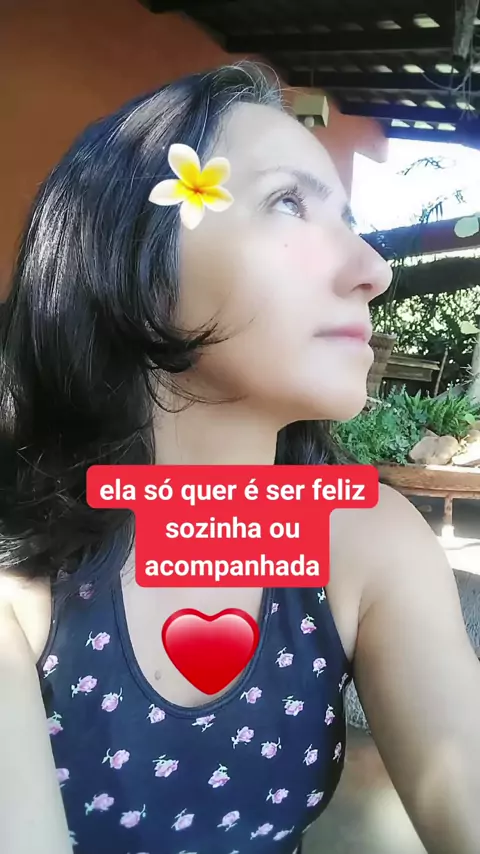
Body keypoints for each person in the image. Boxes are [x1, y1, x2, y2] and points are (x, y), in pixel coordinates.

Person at [0, 62, 479, 854]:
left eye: (347, 219)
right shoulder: (19, 585)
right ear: (131, 259)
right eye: (288, 202)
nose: (374, 270)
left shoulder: (363, 543)